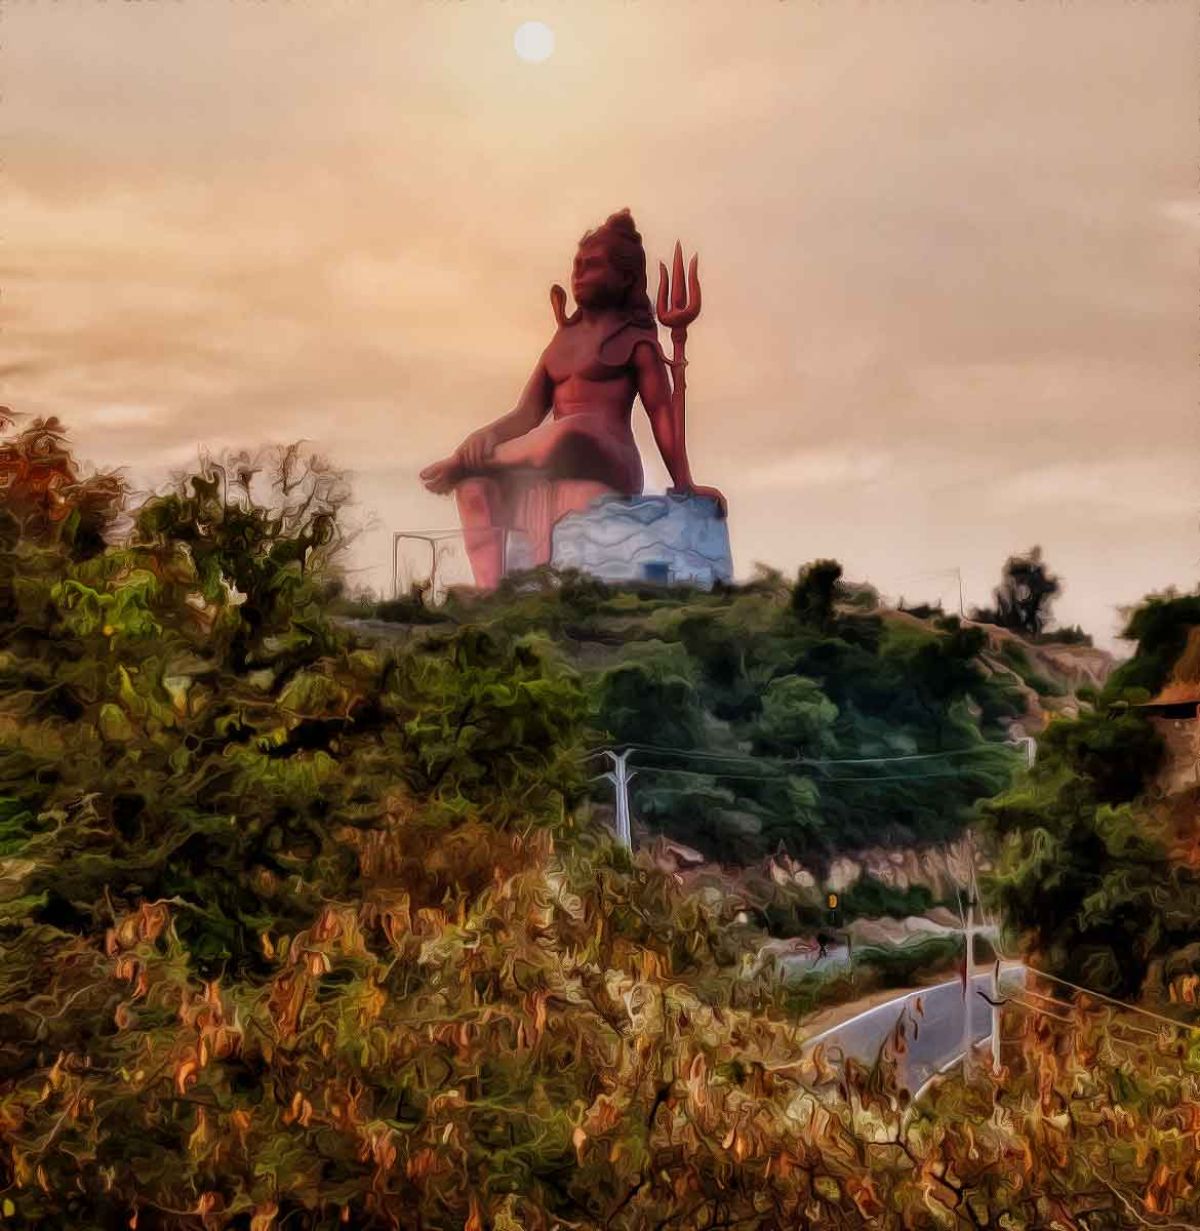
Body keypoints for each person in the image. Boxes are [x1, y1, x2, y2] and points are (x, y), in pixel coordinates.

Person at [420, 209, 724, 589]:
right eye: (577, 264)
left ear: (625, 276)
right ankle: (492, 594)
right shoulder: (562, 341)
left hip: (608, 460)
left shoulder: (635, 339)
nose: (579, 273)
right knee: (474, 489)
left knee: (572, 428)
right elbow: (528, 412)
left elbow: (660, 410)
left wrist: (684, 481)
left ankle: (462, 463)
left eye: (593, 265)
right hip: (550, 464)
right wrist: (487, 433)